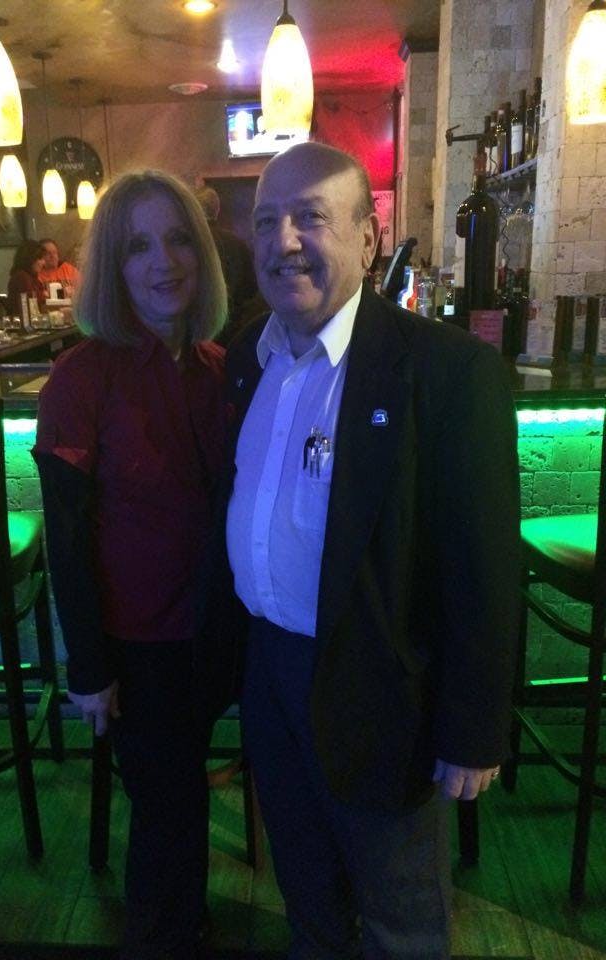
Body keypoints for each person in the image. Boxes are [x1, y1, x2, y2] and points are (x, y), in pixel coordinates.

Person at [200, 141, 521, 959]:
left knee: (399, 918)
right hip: (269, 674)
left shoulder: (448, 370)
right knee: (306, 897)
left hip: (382, 682)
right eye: (268, 221)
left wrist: (475, 728)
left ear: (370, 236)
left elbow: (482, 567)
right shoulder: (248, 357)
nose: (284, 241)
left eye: (311, 217)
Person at [33, 169, 228, 960]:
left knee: (181, 801)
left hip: (215, 629)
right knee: (167, 808)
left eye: (179, 238)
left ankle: (188, 925)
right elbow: (67, 535)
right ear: (112, 267)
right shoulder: (80, 378)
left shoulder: (223, 367)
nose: (164, 260)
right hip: (135, 642)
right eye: (139, 245)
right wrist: (88, 668)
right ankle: (164, 936)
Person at [195, 185, 259, 345]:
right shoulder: (236, 243)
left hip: (195, 332)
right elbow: (251, 290)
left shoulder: (187, 245)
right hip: (233, 332)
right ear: (217, 209)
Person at [6, 240, 46, 317]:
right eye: (40, 259)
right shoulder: (21, 277)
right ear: (30, 258)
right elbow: (31, 303)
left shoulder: (32, 277)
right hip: (23, 322)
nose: (43, 263)